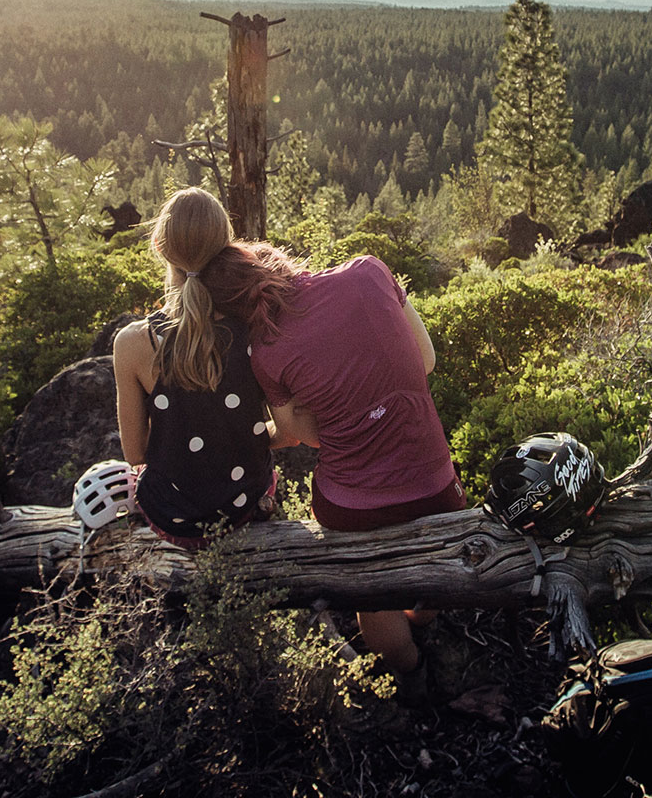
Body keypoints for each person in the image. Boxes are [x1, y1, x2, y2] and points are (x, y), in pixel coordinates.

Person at [191, 192, 462, 678]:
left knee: (369, 594)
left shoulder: (266, 351)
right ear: (272, 258)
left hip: (352, 507)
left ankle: (408, 671)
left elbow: (302, 436)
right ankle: (423, 617)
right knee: (433, 576)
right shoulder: (369, 271)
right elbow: (425, 361)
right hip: (436, 485)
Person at [112, 188, 276, 549]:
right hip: (245, 508)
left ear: (158, 245)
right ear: (227, 247)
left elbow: (135, 454)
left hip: (173, 518)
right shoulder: (254, 325)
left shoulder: (131, 343)